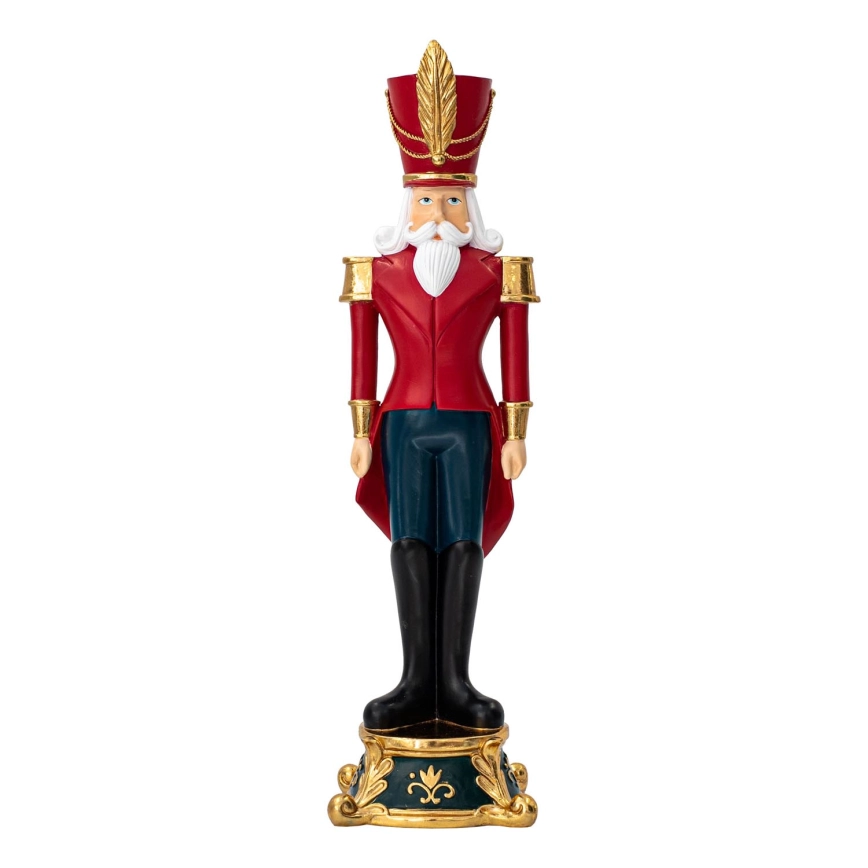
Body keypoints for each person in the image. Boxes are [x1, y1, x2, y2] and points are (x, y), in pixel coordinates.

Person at [340, 41, 539, 731]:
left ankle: (454, 682)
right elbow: (362, 358)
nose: (437, 212)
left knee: (462, 540)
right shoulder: (377, 272)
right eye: (426, 199)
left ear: (468, 203)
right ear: (408, 203)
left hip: (469, 422)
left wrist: (516, 433)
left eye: (451, 198)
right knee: (407, 540)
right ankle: (413, 680)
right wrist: (360, 432)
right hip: (399, 419)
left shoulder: (498, 272)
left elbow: (515, 357)